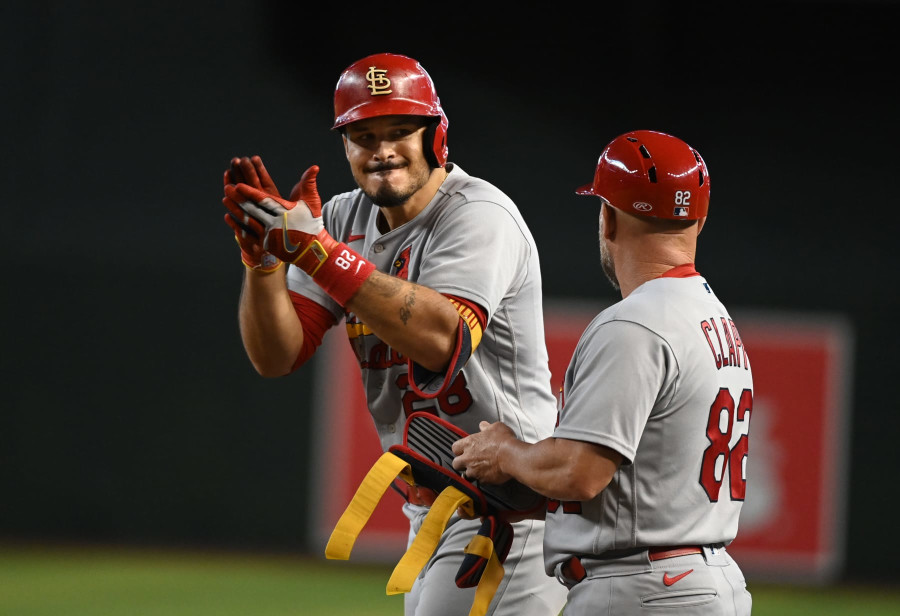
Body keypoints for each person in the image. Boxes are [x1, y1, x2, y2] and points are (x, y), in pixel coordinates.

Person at [220, 52, 568, 616]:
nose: (382, 149)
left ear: (436, 137)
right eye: (364, 134)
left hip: (510, 512)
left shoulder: (477, 214)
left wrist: (316, 252)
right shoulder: (340, 219)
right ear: (346, 147)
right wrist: (263, 267)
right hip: (435, 508)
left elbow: (442, 339)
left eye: (401, 130)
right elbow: (278, 354)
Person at [452, 130, 754, 615]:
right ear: (699, 220)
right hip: (695, 580)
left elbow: (580, 472)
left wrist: (505, 451)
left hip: (644, 588)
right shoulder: (716, 320)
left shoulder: (634, 322)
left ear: (608, 218)